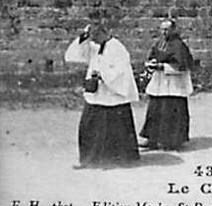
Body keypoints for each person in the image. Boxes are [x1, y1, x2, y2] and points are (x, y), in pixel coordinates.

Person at [64, 22, 140, 168]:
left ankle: (116, 160)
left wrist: (103, 75)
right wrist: (83, 36)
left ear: (102, 33)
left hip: (113, 94)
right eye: (91, 38)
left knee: (113, 129)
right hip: (97, 94)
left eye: (95, 37)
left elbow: (121, 71)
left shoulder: (117, 47)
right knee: (89, 126)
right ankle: (89, 159)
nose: (92, 41)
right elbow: (72, 56)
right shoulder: (95, 45)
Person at [139, 19, 194, 151]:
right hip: (159, 82)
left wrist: (162, 66)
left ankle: (172, 141)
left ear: (174, 30)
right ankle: (152, 139)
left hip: (173, 83)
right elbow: (153, 56)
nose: (164, 32)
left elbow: (182, 65)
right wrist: (151, 63)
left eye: (167, 29)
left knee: (172, 111)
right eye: (162, 29)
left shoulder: (179, 45)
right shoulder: (159, 43)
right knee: (155, 110)